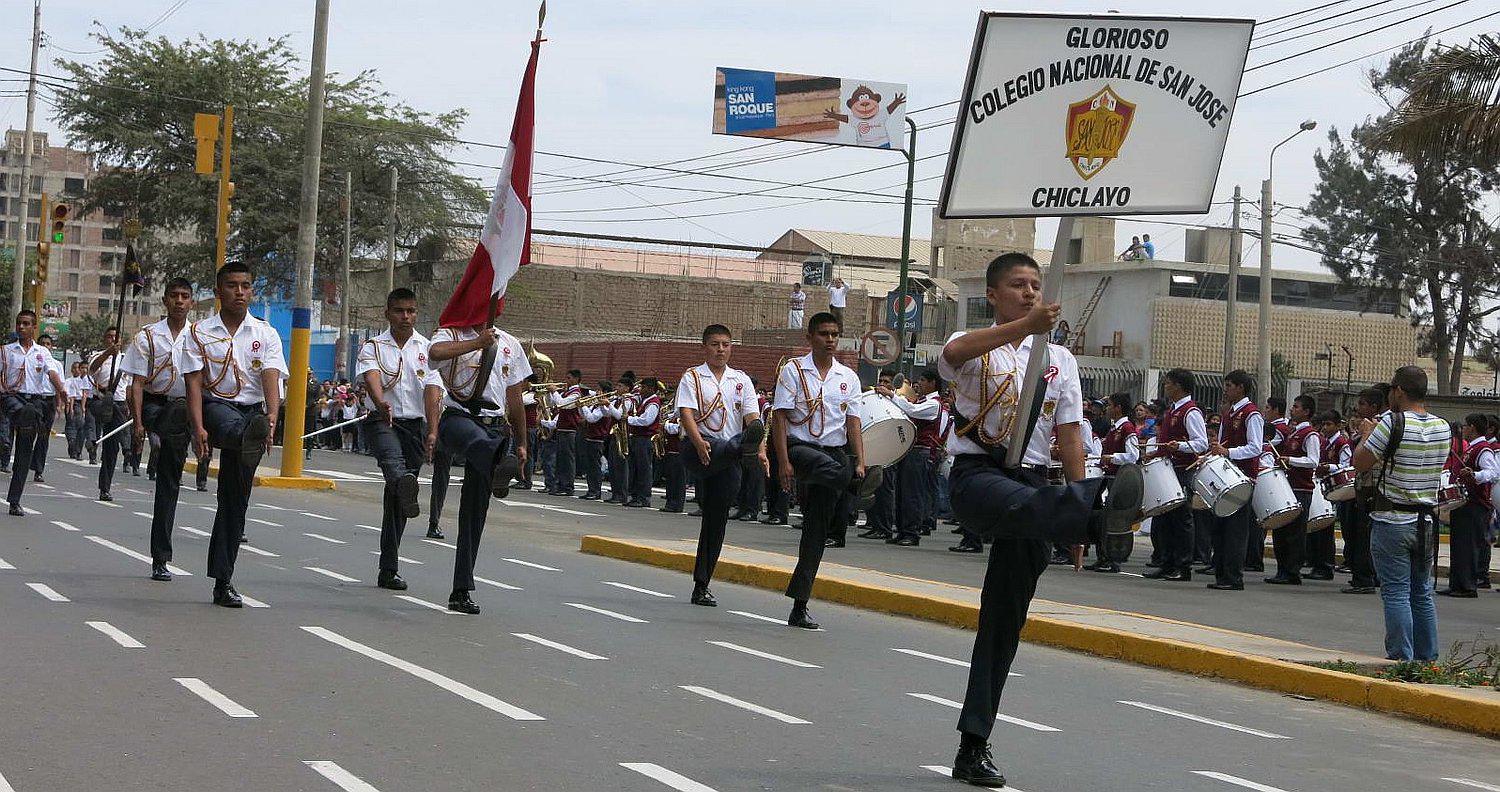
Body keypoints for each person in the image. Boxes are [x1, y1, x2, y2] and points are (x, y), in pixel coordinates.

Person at [937, 252, 1142, 786]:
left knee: (1003, 624)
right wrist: (1025, 327)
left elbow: (1069, 435)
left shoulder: (1061, 360)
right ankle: (1094, 513)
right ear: (993, 294)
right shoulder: (974, 343)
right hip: (979, 477)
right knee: (1025, 505)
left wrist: (1073, 502)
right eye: (1017, 284)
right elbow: (954, 355)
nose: (1029, 292)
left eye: (1035, 284)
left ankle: (973, 744)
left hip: (1036, 485)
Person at [184, 261, 286, 608]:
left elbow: (271, 375)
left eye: (245, 286)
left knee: (234, 500)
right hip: (215, 407)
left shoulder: (266, 333)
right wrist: (197, 427)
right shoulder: (199, 332)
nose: (239, 292)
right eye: (232, 285)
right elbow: (193, 383)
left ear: (251, 290)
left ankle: (222, 580)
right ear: (218, 291)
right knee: (231, 425)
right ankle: (247, 436)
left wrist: (271, 417)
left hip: (252, 413)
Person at [772, 311, 870, 629]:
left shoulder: (848, 377)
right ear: (810, 337)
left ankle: (799, 605)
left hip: (833, 452)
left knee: (815, 533)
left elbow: (853, 423)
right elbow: (780, 418)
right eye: (824, 334)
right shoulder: (793, 371)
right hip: (801, 449)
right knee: (831, 469)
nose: (830, 340)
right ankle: (852, 485)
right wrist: (783, 462)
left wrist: (860, 461)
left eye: (834, 334)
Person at [428, 320, 528, 615]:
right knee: (476, 442)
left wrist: (522, 442)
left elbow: (514, 397)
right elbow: (435, 353)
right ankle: (497, 462)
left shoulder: (510, 343)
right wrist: (477, 343)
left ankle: (461, 590)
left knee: (474, 514)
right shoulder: (451, 332)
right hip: (458, 418)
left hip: (494, 425)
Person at [1352, 366, 1448, 661]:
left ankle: (1401, 657)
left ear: (1400, 391)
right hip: (1425, 521)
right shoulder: (1442, 426)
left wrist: (1366, 435)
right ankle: (1427, 658)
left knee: (1395, 592)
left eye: (1392, 389)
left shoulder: (1391, 423)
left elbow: (1360, 462)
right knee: (1421, 593)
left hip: (1392, 519)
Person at [357, 288, 444, 592]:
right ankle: (401, 480)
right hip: (382, 421)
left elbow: (433, 392)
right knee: (394, 465)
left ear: (416, 313)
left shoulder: (428, 349)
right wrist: (379, 402)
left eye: (411, 311)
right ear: (388, 314)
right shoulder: (373, 347)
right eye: (399, 311)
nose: (405, 317)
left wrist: (433, 431)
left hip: (414, 426)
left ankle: (388, 568)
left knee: (397, 501)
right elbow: (371, 377)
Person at [678, 324, 764, 606]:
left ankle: (701, 585)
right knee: (728, 446)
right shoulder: (693, 376)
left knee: (716, 521)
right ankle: (741, 450)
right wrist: (698, 442)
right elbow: (686, 413)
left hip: (727, 455)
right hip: (699, 449)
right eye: (715, 344)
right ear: (705, 347)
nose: (720, 350)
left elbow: (753, 420)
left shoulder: (741, 380)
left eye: (726, 344)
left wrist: (761, 449)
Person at [124, 277, 194, 581]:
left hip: (185, 411)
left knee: (169, 485)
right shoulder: (148, 336)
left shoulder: (199, 337)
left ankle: (160, 558)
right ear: (165, 300)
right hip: (155, 405)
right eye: (174, 295)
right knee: (168, 416)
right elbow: (137, 384)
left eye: (185, 296)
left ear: (191, 302)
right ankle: (162, 435)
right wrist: (138, 423)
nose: (179, 301)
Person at [1142, 369, 1208, 581]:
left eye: (1168, 383)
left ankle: (1183, 565)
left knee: (1181, 519)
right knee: (1166, 520)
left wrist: (1179, 446)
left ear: (1179, 386)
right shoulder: (1173, 409)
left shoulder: (1191, 411)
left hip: (1182, 470)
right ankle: (1167, 562)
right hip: (1168, 469)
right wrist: (1155, 453)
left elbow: (1201, 443)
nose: (1166, 386)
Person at [1, 310, 67, 515]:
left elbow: (52, 372)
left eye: (26, 323)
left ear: (34, 327)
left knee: (24, 453)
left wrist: (61, 390)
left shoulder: (42, 352)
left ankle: (14, 501)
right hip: (11, 399)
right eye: (19, 323)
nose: (21, 327)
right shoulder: (6, 351)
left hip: (33, 402)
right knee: (12, 428)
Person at [1202, 370, 1262, 591]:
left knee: (1235, 530)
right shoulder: (1229, 412)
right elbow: (1221, 444)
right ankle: (1221, 574)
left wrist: (1228, 452)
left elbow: (1255, 447)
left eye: (1229, 386)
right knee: (1220, 529)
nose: (1225, 390)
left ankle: (1233, 577)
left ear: (1241, 388)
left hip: (1242, 478)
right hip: (1225, 476)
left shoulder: (1251, 414)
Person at [1265, 395, 1321, 585]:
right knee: (1281, 529)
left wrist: (1290, 460)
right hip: (1287, 487)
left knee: (1295, 533)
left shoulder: (1310, 434)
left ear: (1306, 412)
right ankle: (1282, 570)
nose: (1292, 409)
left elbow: (1313, 461)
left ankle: (1292, 571)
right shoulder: (1293, 432)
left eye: (1296, 407)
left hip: (1301, 488)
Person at [1443, 413, 1496, 597]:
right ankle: (1456, 584)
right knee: (1459, 545)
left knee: (1468, 546)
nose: (1463, 429)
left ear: (1472, 427)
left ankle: (1467, 586)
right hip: (1464, 503)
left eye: (1465, 426)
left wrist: (1475, 475)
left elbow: (1493, 472)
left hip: (1475, 504)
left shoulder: (1483, 449)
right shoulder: (1472, 447)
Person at [888, 368, 942, 546]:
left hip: (919, 452)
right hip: (910, 450)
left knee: (913, 493)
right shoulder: (922, 400)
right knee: (903, 492)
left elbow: (912, 411)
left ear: (933, 383)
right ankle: (903, 530)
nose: (919, 383)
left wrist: (892, 396)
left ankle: (911, 532)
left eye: (923, 380)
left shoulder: (933, 404)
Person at [1088, 392, 1140, 573]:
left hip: (1119, 479)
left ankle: (1113, 558)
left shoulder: (1127, 428)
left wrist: (1112, 458)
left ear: (1118, 408)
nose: (1108, 409)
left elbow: (1133, 455)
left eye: (1110, 405)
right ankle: (1103, 556)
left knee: (1114, 519)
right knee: (1104, 518)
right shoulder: (1114, 428)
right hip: (1109, 476)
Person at [30, 334, 64, 482]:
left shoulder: (56, 365)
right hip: (35, 400)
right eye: (42, 343)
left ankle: (38, 470)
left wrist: (59, 405)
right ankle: (24, 462)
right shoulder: (32, 360)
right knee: (30, 432)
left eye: (48, 344)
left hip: (49, 401)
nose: (45, 346)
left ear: (51, 347)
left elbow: (59, 386)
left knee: (44, 436)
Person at [625, 377, 661, 508]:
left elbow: (647, 420)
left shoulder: (653, 403)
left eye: (644, 387)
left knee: (644, 469)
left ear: (651, 389)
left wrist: (629, 419)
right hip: (638, 438)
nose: (641, 390)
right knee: (635, 468)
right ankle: (635, 496)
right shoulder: (644, 401)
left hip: (645, 439)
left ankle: (644, 497)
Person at [548, 369, 583, 497]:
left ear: (576, 379)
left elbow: (562, 404)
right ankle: (560, 485)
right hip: (562, 428)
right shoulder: (566, 392)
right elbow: (553, 403)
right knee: (561, 459)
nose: (566, 380)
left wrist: (554, 391)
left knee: (568, 460)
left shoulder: (576, 393)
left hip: (569, 429)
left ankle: (568, 486)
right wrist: (550, 393)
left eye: (569, 378)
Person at [579, 381, 612, 501]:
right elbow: (584, 416)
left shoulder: (604, 406)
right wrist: (581, 406)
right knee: (590, 466)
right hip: (590, 436)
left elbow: (592, 418)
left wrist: (583, 405)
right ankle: (591, 490)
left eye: (599, 390)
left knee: (594, 466)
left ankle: (595, 491)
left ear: (605, 392)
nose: (596, 392)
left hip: (598, 438)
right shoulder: (596, 404)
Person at [659, 405, 687, 513]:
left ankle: (677, 504)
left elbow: (678, 430)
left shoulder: (683, 418)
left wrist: (665, 424)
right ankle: (670, 502)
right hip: (671, 450)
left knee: (678, 479)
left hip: (678, 451)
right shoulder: (675, 417)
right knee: (670, 478)